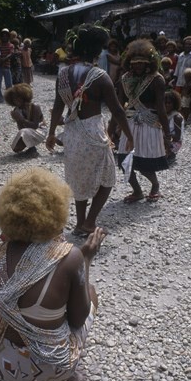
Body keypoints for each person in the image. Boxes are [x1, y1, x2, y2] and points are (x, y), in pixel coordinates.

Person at [0, 168, 104, 381]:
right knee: (90, 293)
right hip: (48, 368)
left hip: (4, 364)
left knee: (21, 317)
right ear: (55, 211)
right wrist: (86, 258)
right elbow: (78, 320)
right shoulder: (69, 257)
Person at [47, 23, 134, 235]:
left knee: (78, 178)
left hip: (72, 132)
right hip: (93, 132)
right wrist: (129, 136)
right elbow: (117, 111)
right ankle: (89, 222)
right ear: (97, 51)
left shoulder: (63, 75)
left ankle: (79, 224)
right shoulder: (100, 76)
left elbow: (58, 106)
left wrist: (51, 133)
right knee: (108, 177)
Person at [114, 39, 171, 203]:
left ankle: (155, 185)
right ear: (129, 63)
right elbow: (119, 106)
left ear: (149, 63)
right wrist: (116, 126)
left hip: (149, 123)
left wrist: (167, 133)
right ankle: (137, 191)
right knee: (125, 160)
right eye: (134, 63)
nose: (137, 66)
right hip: (130, 122)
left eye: (141, 63)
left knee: (145, 162)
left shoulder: (156, 80)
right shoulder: (125, 79)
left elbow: (161, 108)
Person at [5, 83, 46, 155]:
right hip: (27, 130)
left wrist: (21, 119)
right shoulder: (17, 109)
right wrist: (18, 119)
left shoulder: (34, 106)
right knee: (16, 149)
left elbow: (35, 125)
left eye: (18, 98)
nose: (16, 101)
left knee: (23, 132)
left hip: (40, 130)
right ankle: (30, 147)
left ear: (24, 97)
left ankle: (33, 148)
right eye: (14, 99)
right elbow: (20, 128)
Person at [164, 90, 184, 165]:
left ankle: (171, 154)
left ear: (174, 104)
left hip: (175, 143)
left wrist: (164, 134)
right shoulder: (166, 114)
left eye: (169, 103)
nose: (167, 105)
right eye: (165, 103)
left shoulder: (176, 117)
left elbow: (177, 138)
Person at [0, 29, 14, 103]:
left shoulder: (11, 45)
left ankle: (9, 98)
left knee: (9, 83)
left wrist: (4, 59)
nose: (4, 36)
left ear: (8, 36)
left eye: (6, 35)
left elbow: (11, 54)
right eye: (3, 35)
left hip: (7, 66)